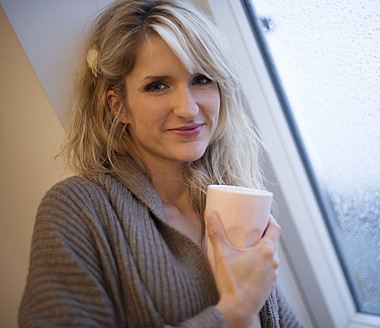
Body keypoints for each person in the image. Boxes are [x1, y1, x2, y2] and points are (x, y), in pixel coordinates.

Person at [18, 0, 304, 327]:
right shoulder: (77, 208)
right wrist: (235, 312)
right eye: (158, 86)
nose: (187, 108)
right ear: (118, 106)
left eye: (202, 79)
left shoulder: (231, 204)